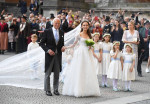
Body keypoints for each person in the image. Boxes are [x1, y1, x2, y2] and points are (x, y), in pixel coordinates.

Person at [62, 20, 101, 97]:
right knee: (79, 70)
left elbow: (91, 46)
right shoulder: (78, 35)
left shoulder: (90, 35)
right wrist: (66, 47)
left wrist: (90, 46)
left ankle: (87, 89)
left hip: (87, 53)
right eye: (84, 25)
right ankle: (78, 89)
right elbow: (74, 44)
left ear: (88, 26)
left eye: (86, 25)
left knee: (87, 70)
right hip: (80, 53)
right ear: (82, 26)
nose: (85, 26)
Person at [40, 18, 65, 96]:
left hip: (58, 56)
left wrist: (63, 47)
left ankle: (56, 89)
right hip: (49, 56)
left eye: (58, 23)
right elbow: (41, 43)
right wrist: (48, 50)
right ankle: (47, 90)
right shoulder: (47, 31)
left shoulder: (61, 32)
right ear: (53, 23)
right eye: (56, 23)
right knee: (48, 73)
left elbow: (61, 44)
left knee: (57, 74)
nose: (57, 25)